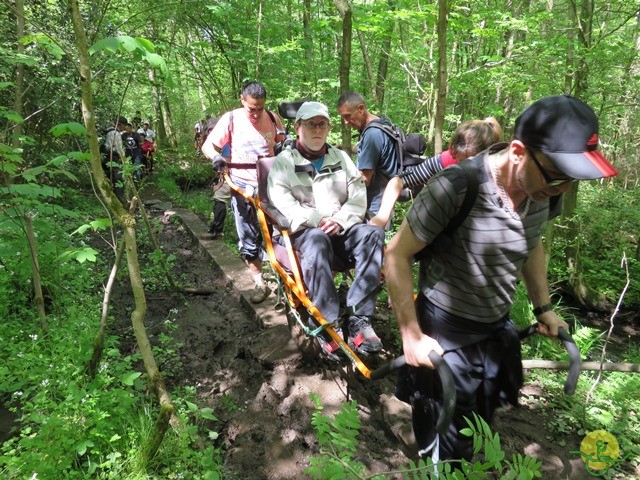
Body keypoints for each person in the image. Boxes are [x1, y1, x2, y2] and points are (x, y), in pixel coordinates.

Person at [383, 95, 618, 462]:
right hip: (444, 330)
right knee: (449, 439)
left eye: (572, 180)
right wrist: (411, 335)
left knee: (483, 420)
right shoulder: (457, 185)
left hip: (494, 329)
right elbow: (396, 254)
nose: (562, 190)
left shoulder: (545, 192)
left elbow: (532, 242)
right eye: (556, 177)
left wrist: (543, 307)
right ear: (519, 151)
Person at [267, 101, 385, 357]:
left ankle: (358, 318)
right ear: (298, 127)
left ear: (329, 127)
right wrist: (317, 219)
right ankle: (325, 320)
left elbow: (357, 195)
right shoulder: (284, 162)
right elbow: (282, 202)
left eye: (322, 124)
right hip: (307, 232)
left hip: (341, 228)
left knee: (373, 234)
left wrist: (341, 220)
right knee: (318, 238)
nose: (317, 129)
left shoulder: (340, 158)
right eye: (311, 124)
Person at [201, 81, 285, 304]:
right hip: (241, 184)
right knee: (248, 235)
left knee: (279, 232)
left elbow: (282, 144)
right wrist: (216, 157)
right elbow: (208, 146)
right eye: (252, 109)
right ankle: (259, 282)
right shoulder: (231, 118)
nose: (256, 114)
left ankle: (283, 280)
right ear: (242, 100)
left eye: (260, 108)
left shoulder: (273, 117)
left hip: (271, 184)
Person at [369, 118, 503, 228]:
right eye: (457, 158)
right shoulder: (445, 160)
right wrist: (381, 217)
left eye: (468, 162)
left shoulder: (501, 176)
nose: (461, 166)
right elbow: (397, 182)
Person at [337, 90, 398, 216]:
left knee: (372, 234)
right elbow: (367, 149)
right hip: (385, 198)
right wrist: (343, 148)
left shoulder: (372, 134)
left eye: (347, 116)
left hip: (376, 204)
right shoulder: (380, 122)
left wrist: (336, 187)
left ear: (361, 109)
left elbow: (364, 179)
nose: (346, 122)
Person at [102, 115, 127, 200]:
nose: (125, 127)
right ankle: (119, 199)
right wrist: (123, 160)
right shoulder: (115, 133)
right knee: (118, 179)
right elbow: (119, 149)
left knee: (111, 178)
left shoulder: (108, 131)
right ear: (120, 124)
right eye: (125, 125)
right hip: (113, 157)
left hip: (106, 157)